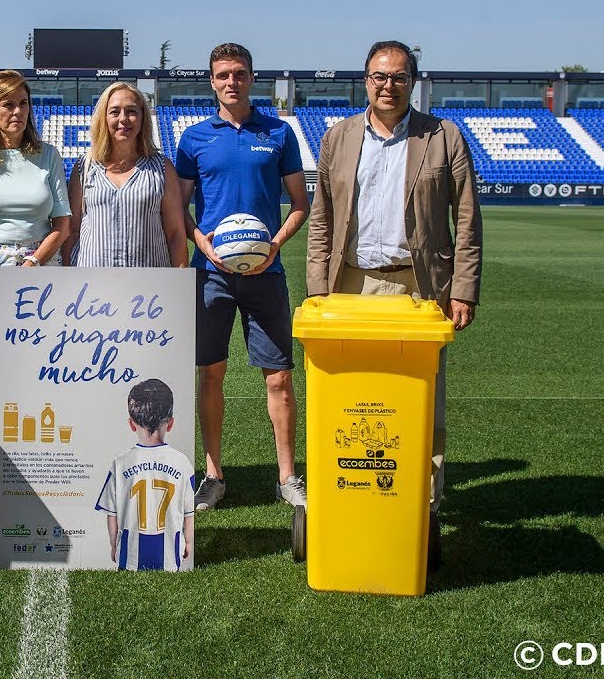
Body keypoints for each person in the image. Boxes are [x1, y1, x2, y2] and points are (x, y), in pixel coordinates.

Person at [305, 40, 483, 567]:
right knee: (350, 403)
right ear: (365, 81)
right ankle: (347, 497)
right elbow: (322, 218)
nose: (389, 85)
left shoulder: (443, 137)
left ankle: (421, 508)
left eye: (399, 77)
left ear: (413, 82)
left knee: (421, 407)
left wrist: (463, 289)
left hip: (418, 289)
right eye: (379, 76)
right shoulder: (338, 137)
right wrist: (317, 289)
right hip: (350, 288)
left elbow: (467, 218)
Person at [175, 43, 310, 511]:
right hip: (211, 274)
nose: (231, 82)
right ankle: (213, 475)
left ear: (253, 79)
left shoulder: (278, 133)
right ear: (211, 82)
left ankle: (288, 477)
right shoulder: (194, 138)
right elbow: (179, 208)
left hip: (266, 272)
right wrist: (202, 242)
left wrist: (273, 245)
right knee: (210, 374)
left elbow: (300, 205)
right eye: (222, 75)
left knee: (279, 378)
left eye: (239, 74)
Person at [0, 70, 70, 377]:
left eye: (23, 103)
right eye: (8, 104)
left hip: (43, 267)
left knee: (46, 370)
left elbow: (62, 225)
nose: (18, 111)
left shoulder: (49, 155)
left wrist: (33, 263)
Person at [64, 82, 188, 268]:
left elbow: (175, 233)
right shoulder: (84, 167)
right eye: (114, 112)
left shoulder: (162, 168)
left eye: (131, 111)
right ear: (103, 118)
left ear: (142, 117)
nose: (123, 119)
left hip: (148, 286)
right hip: (93, 285)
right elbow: (72, 231)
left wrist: (180, 284)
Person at [95, 379, 195, 571]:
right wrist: (188, 543)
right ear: (171, 423)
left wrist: (113, 544)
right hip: (168, 556)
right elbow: (188, 513)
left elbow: (112, 513)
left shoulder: (121, 462)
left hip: (131, 554)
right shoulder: (182, 462)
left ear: (132, 424)